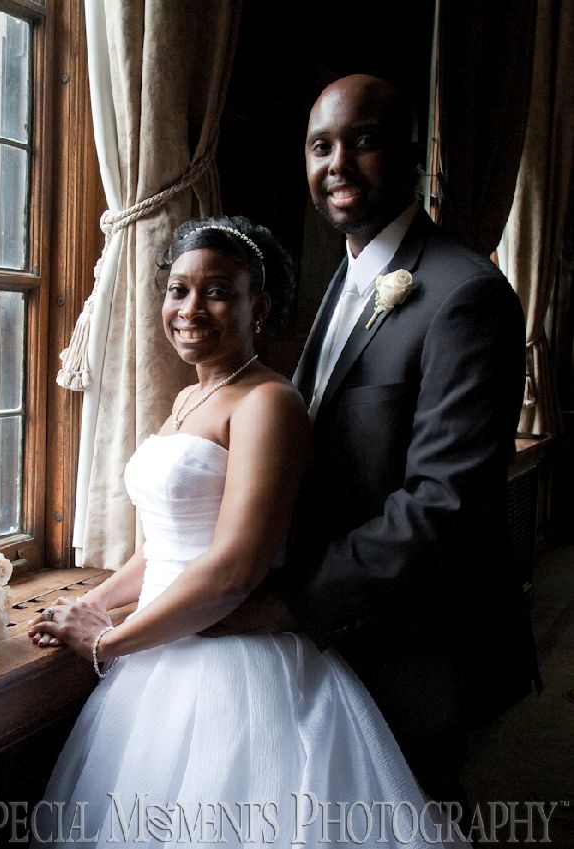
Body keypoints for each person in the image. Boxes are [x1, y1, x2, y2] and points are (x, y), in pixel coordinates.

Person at [28, 216, 462, 848]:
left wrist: (110, 643)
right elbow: (163, 547)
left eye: (217, 291)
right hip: (163, 644)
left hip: (229, 657)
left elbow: (235, 566)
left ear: (258, 307)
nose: (190, 308)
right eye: (177, 290)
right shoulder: (185, 401)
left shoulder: (268, 403)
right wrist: (93, 603)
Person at [283, 74, 541, 808]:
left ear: (410, 152)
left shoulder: (466, 293)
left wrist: (296, 601)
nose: (337, 164)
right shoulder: (343, 279)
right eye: (319, 146)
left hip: (420, 645)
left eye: (362, 142)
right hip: (344, 635)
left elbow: (442, 503)